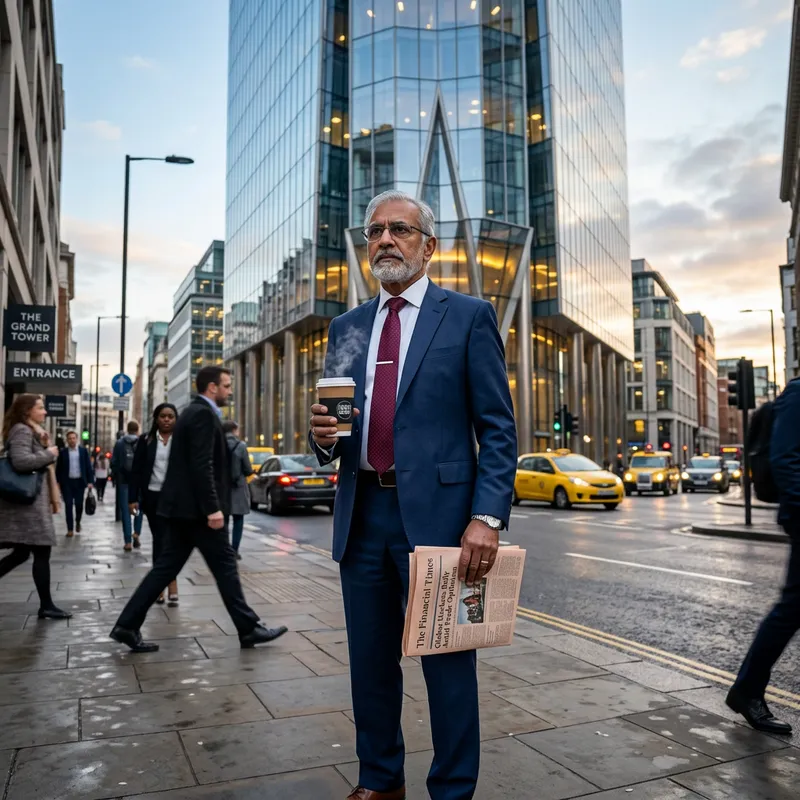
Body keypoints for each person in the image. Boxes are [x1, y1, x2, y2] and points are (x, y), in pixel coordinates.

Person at [310, 190, 517, 800]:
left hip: (443, 524)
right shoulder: (347, 327)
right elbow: (336, 425)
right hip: (362, 517)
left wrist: (486, 517)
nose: (384, 240)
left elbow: (498, 429)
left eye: (399, 229)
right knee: (370, 665)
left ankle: (451, 790)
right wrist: (322, 438)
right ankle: (380, 781)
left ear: (429, 246)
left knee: (448, 666)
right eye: (374, 231)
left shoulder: (468, 316)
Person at [110, 365, 288, 653]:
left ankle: (127, 625)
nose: (230, 391)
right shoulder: (203, 415)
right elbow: (201, 464)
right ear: (212, 387)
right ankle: (248, 628)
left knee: (167, 568)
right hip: (198, 513)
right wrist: (212, 508)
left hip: (184, 510)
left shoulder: (193, 412)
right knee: (224, 566)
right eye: (227, 385)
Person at [727, 379, 800, 735]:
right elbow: (784, 458)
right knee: (791, 609)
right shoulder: (798, 394)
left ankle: (747, 689)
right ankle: (747, 690)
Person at [0, 394, 72, 620]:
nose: (45, 412)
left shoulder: (30, 431)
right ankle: (46, 605)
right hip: (26, 505)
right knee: (40, 550)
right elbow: (20, 461)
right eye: (40, 408)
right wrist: (48, 454)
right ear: (27, 411)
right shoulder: (22, 430)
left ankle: (47, 605)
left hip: (29, 503)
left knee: (22, 553)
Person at [129, 403, 180, 606]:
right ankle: (160, 585)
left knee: (172, 542)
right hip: (153, 497)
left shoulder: (182, 440)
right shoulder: (146, 440)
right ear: (156, 419)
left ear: (176, 419)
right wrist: (132, 498)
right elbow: (136, 470)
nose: (166, 419)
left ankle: (171, 582)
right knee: (159, 540)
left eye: (170, 416)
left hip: (175, 499)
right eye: (162, 416)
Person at [223, 420, 253, 560]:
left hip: (222, 488)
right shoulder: (241, 446)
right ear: (234, 430)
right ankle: (234, 551)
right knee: (238, 520)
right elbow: (247, 469)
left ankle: (224, 550)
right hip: (238, 488)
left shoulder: (218, 444)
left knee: (223, 521)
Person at [55, 430, 94, 538]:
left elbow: (88, 467)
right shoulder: (63, 452)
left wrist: (90, 481)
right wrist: (57, 482)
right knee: (68, 505)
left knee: (79, 505)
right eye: (70, 438)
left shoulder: (83, 451)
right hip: (67, 483)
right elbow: (59, 469)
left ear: (76, 439)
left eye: (73, 438)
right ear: (67, 440)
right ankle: (70, 529)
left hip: (79, 482)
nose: (72, 440)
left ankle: (78, 521)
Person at [112, 421, 144, 551]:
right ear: (137, 430)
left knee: (125, 510)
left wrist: (117, 476)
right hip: (139, 482)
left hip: (124, 481)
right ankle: (136, 533)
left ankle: (127, 542)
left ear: (127, 429)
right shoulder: (142, 442)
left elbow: (114, 462)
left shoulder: (120, 443)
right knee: (138, 508)